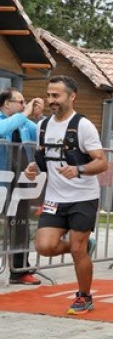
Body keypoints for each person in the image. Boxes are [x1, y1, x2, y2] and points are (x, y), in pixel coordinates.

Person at [25, 75, 107, 314]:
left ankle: (84, 296)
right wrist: (32, 168)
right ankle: (83, 246)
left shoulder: (83, 126)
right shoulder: (43, 126)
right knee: (44, 246)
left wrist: (78, 169)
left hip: (83, 197)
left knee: (78, 250)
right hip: (55, 198)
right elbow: (44, 160)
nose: (52, 100)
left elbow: (102, 163)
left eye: (56, 96)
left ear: (72, 97)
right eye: (49, 95)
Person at [0, 88, 44, 285]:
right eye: (21, 102)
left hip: (20, 180)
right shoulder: (8, 120)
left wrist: (39, 116)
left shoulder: (24, 123)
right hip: (2, 179)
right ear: (7, 103)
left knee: (20, 224)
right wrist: (25, 113)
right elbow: (2, 130)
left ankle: (20, 270)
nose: (25, 105)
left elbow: (43, 133)